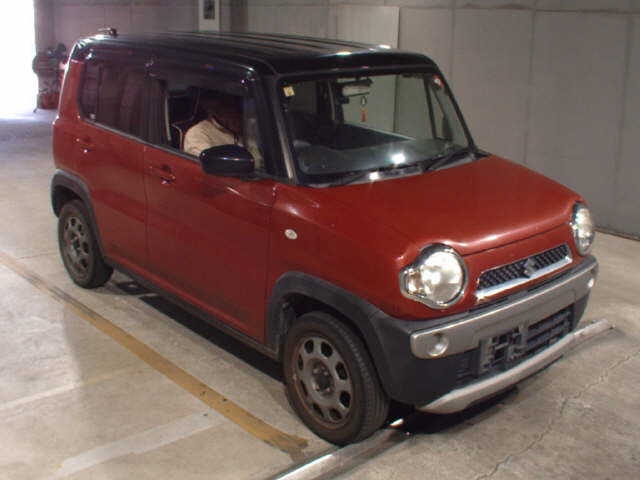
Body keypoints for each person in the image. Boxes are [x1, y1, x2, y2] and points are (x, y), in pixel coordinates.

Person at [183, 92, 243, 157]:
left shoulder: (247, 126)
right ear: (214, 110)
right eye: (229, 107)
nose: (237, 113)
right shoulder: (197, 134)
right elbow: (208, 161)